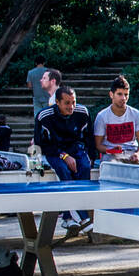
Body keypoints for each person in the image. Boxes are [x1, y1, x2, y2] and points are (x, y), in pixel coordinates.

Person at [34, 86, 95, 230]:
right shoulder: (44, 116)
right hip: (54, 151)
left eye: (73, 102)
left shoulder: (83, 113)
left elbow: (89, 138)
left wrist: (92, 157)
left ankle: (69, 217)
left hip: (76, 148)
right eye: (67, 103)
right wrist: (64, 156)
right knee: (64, 171)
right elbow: (40, 143)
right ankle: (82, 217)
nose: (71, 106)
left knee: (85, 167)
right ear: (57, 102)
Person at [94, 75, 139, 164]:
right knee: (110, 167)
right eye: (119, 94)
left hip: (132, 152)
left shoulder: (136, 114)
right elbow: (98, 145)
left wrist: (138, 154)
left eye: (126, 94)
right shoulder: (102, 116)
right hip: (111, 155)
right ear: (111, 94)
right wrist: (111, 150)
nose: (123, 98)